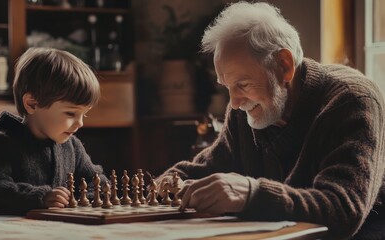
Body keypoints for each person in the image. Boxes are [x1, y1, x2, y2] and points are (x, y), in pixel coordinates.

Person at [156, 1, 385, 239]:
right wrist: (169, 184)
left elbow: (342, 209)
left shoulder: (352, 100)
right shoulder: (245, 110)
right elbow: (207, 168)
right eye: (228, 87)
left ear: (284, 66)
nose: (234, 103)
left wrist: (252, 194)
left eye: (242, 84)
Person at [0, 47, 108, 216]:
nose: (80, 123)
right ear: (32, 104)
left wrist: (90, 197)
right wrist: (40, 197)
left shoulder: (72, 147)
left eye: (83, 114)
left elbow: (97, 182)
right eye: (71, 113)